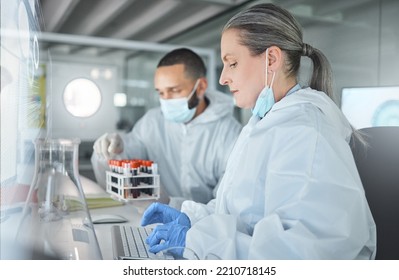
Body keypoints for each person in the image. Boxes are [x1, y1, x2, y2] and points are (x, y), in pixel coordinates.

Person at [140, 3, 376, 259]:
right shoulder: (262, 124)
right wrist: (192, 219)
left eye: (231, 63)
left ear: (271, 59)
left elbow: (307, 254)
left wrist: (198, 241)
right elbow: (240, 214)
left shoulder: (305, 132)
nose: (223, 79)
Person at [91, 48, 242, 209]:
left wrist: (170, 205)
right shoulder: (153, 121)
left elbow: (226, 206)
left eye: (174, 90)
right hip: (152, 221)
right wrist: (110, 152)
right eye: (161, 93)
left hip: (204, 231)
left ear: (200, 87)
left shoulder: (229, 133)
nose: (166, 100)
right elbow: (116, 174)